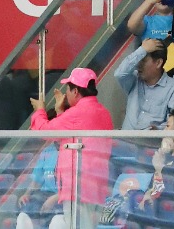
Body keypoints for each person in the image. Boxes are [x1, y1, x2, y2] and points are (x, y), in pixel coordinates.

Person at [29, 67, 113, 229]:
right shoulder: (103, 112)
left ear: (75, 91)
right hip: (95, 185)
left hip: (78, 187)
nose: (66, 93)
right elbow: (68, 131)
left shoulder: (77, 113)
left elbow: (45, 131)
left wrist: (40, 110)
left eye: (68, 89)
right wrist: (61, 111)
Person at [115, 37, 174, 129]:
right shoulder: (133, 79)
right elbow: (119, 74)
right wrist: (142, 50)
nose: (138, 65)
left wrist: (157, 131)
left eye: (143, 61)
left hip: (152, 142)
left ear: (158, 63)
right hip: (126, 140)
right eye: (138, 60)